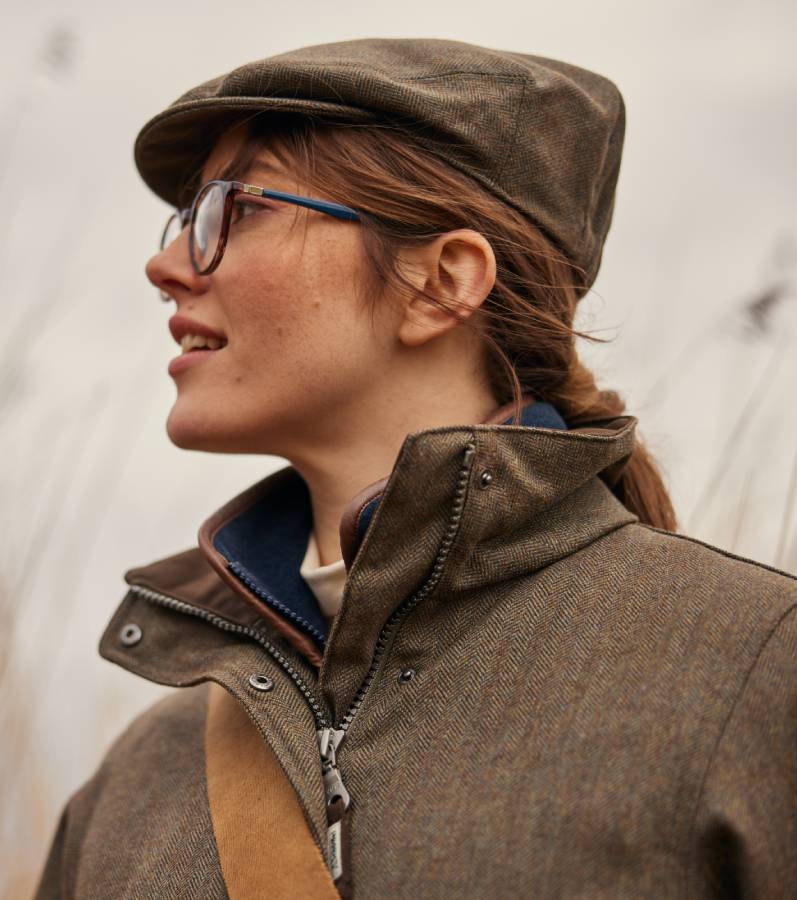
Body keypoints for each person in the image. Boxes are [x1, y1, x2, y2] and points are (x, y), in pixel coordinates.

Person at [34, 38, 796, 900]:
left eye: (232, 211)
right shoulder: (133, 784)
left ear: (440, 283)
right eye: (185, 220)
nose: (166, 267)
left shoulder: (755, 670)